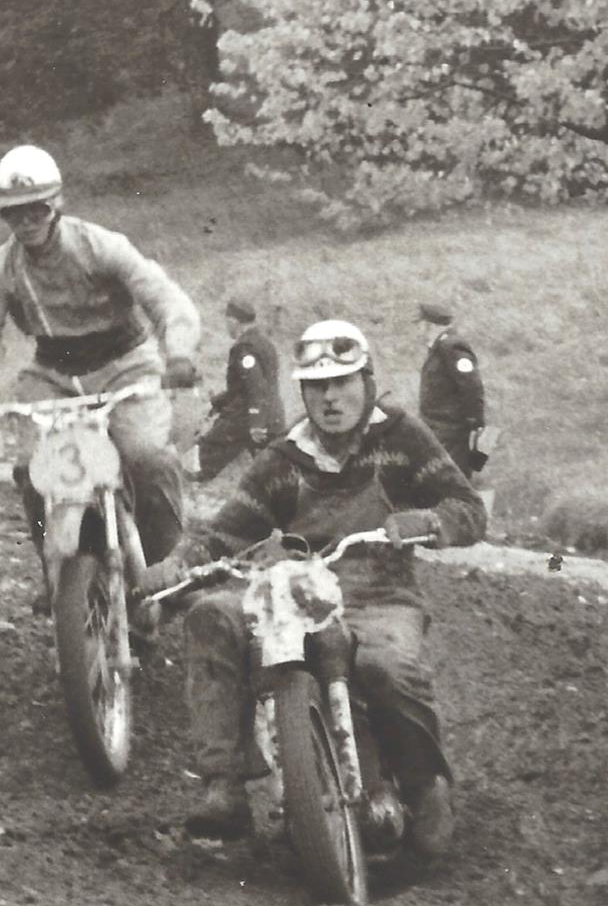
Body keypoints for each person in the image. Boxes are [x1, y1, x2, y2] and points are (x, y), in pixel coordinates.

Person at [140, 319, 486, 856]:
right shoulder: (285, 457)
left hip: (378, 591)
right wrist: (178, 562)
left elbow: (467, 508)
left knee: (387, 667)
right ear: (302, 391)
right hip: (296, 589)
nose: (330, 397)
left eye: (343, 381)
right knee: (213, 614)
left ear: (366, 380)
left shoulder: (402, 437)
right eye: (317, 386)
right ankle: (223, 785)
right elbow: (229, 528)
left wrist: (428, 522)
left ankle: (425, 784)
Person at [0, 144, 200, 586]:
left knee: (146, 459)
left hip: (125, 361)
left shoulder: (99, 245)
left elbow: (163, 297)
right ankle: (58, 576)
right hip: (55, 372)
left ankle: (165, 570)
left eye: (36, 211)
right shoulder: (1, 267)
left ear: (56, 205)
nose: (26, 224)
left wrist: (178, 353)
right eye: (14, 214)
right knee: (31, 469)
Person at [195, 296, 285, 480]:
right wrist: (215, 404)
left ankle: (190, 494)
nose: (226, 327)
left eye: (227, 322)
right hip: (273, 418)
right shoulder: (266, 344)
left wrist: (256, 423)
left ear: (233, 321)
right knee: (272, 475)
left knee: (201, 458)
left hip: (245, 421)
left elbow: (255, 386)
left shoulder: (245, 347)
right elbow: (243, 388)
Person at [417, 301, 486, 479]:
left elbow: (471, 387)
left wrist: (475, 422)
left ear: (428, 325)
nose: (418, 330)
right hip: (438, 430)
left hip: (450, 432)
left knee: (450, 481)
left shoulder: (452, 347)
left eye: (420, 324)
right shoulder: (440, 348)